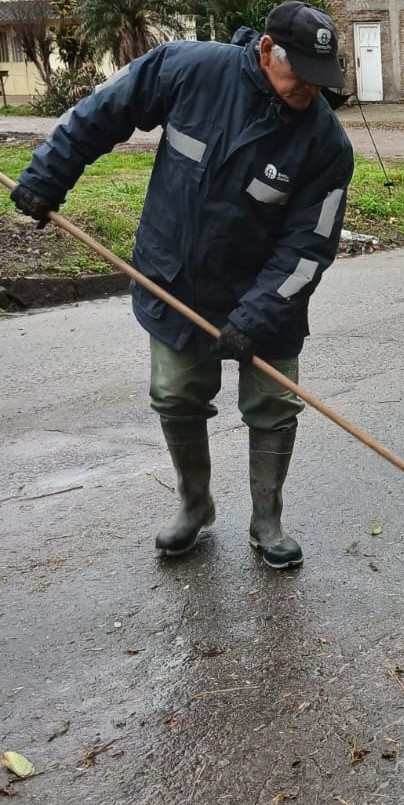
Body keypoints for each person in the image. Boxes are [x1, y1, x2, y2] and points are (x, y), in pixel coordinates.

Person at [8, 1, 355, 569]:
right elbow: (102, 112)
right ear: (268, 51)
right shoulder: (188, 68)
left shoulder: (325, 145)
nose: (311, 93)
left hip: (269, 296)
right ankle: (195, 508)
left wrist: (254, 316)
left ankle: (267, 519)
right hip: (177, 277)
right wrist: (48, 175)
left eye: (323, 82)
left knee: (272, 403)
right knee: (175, 394)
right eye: (302, 77)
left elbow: (308, 248)